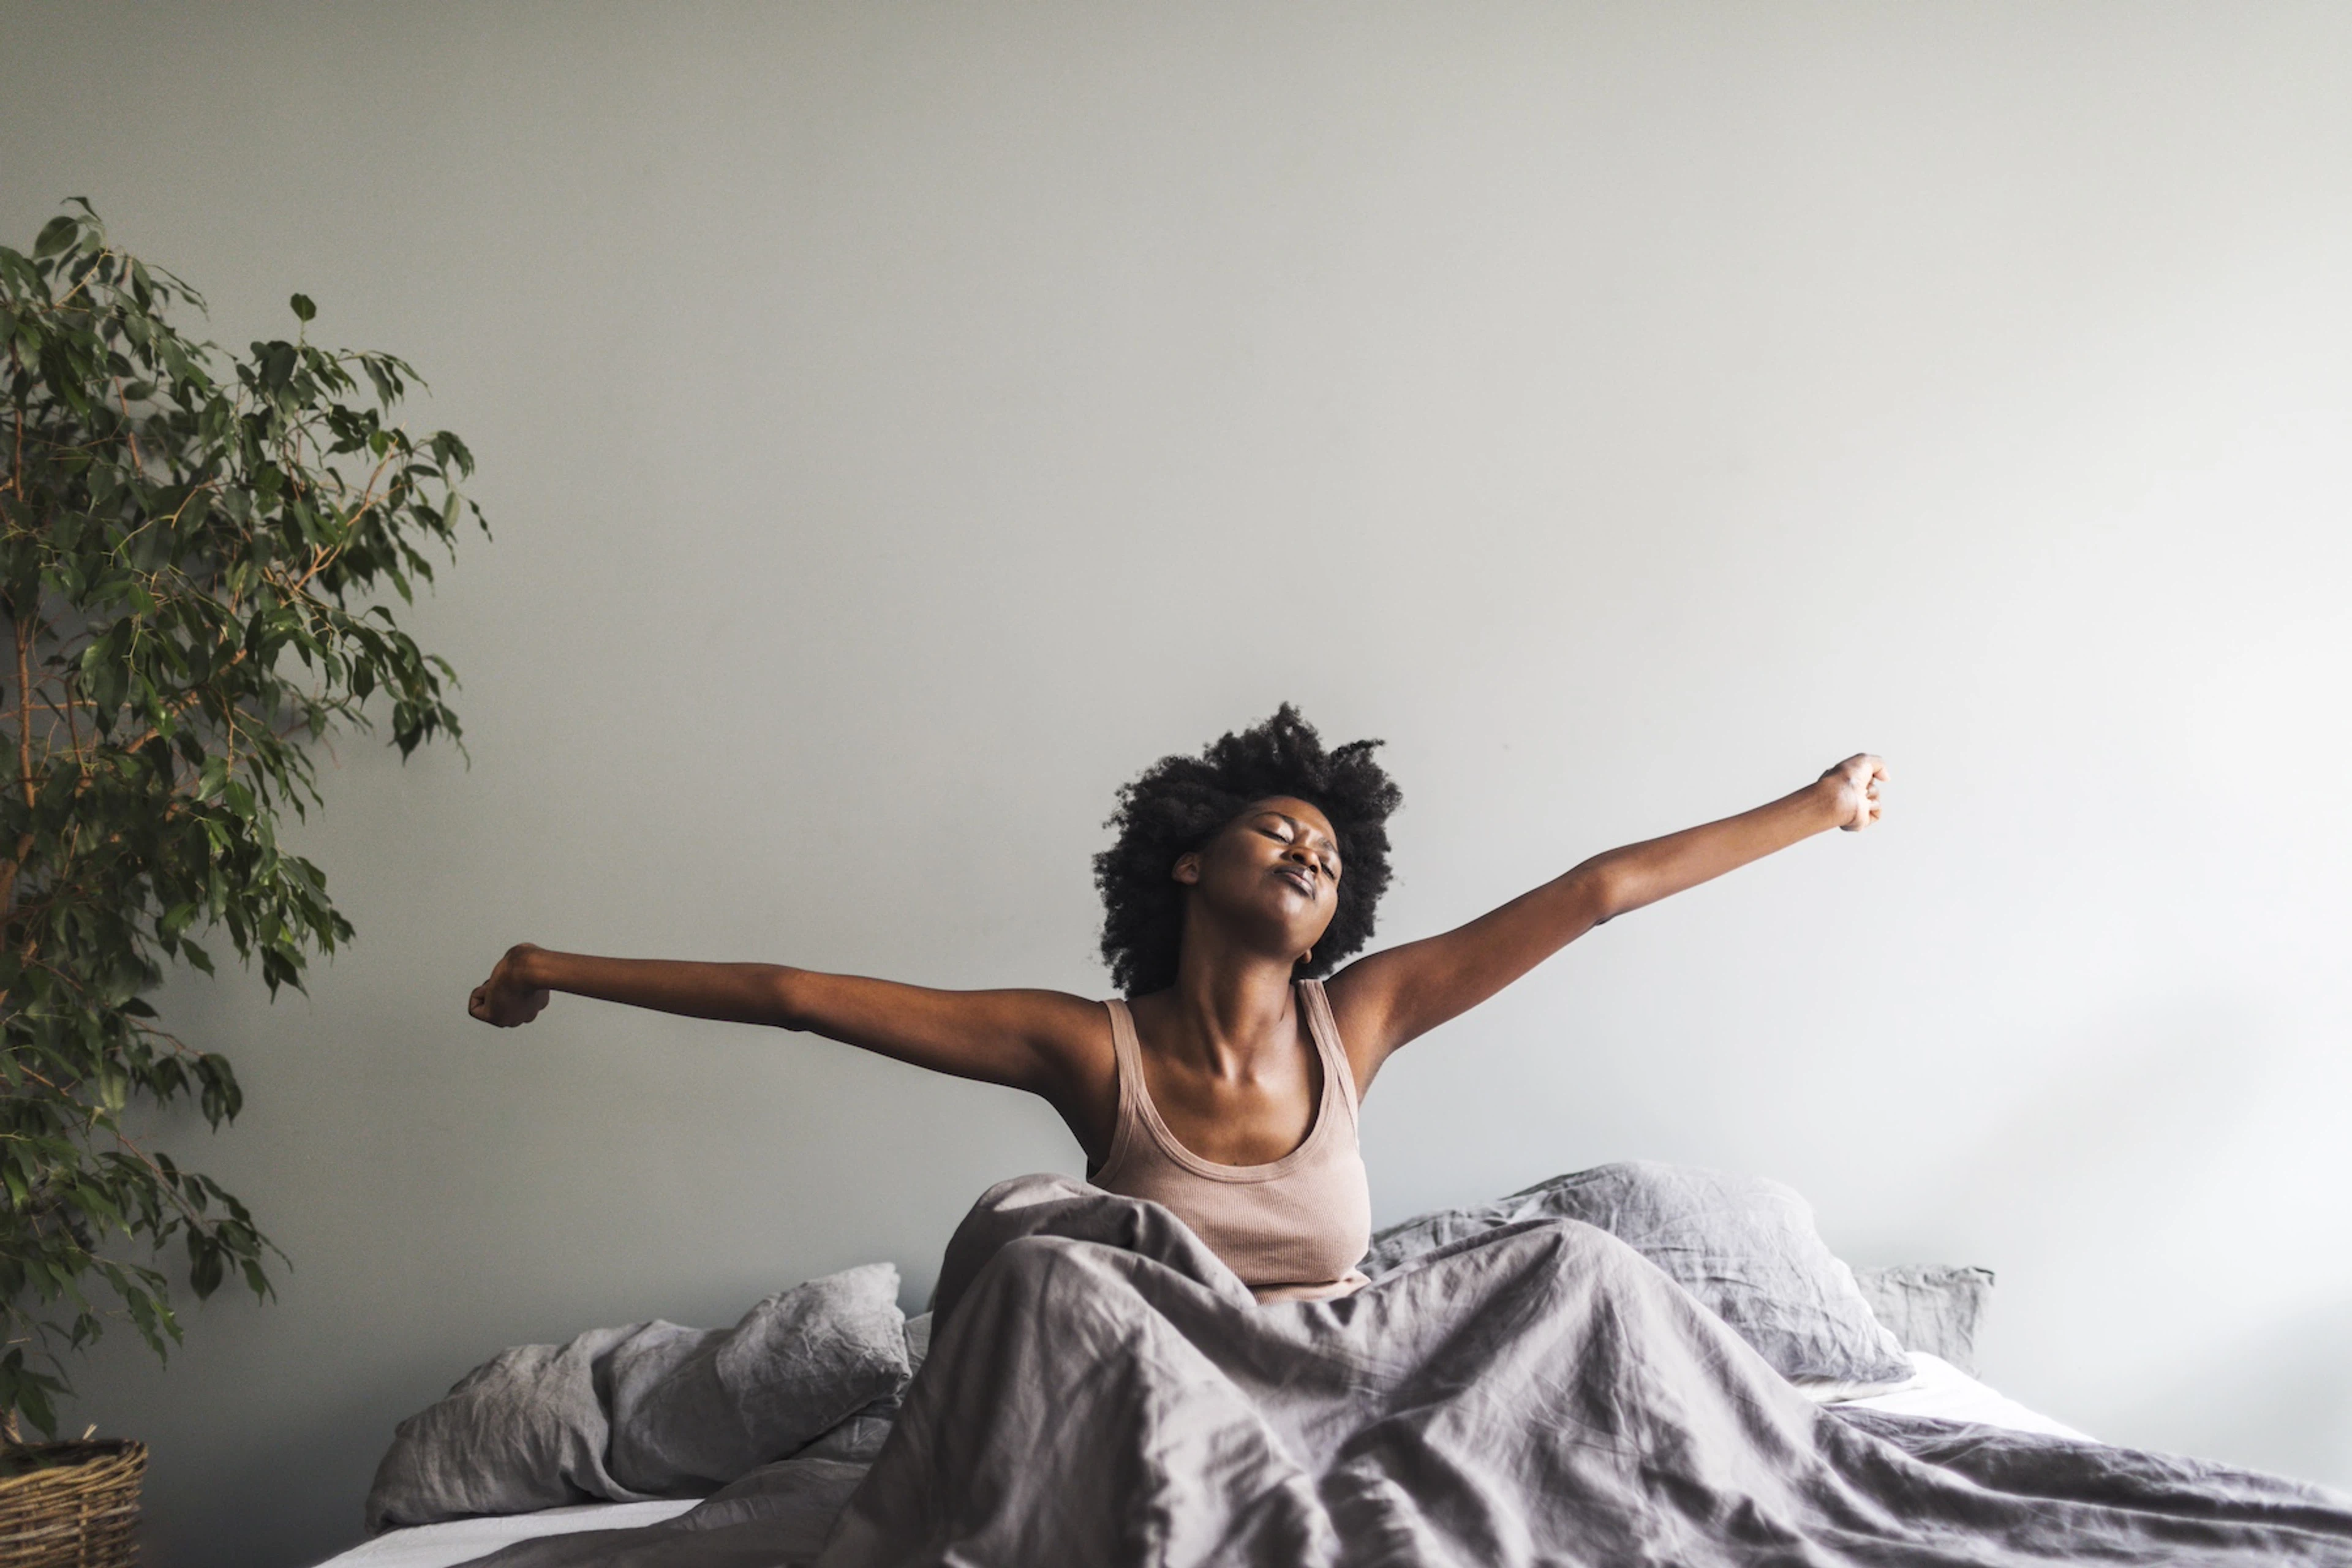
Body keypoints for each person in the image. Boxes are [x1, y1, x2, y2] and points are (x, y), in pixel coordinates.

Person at [467, 705, 1885, 1302]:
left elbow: (1597, 890)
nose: (1312, 848)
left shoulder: (1363, 1016)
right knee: (1030, 1242)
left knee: (1574, 1275)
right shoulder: (1090, 1048)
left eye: (1329, 853)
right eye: (1281, 831)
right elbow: (796, 995)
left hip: (1339, 1392)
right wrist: (549, 965)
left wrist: (1818, 809)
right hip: (1159, 1400)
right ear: (1192, 860)